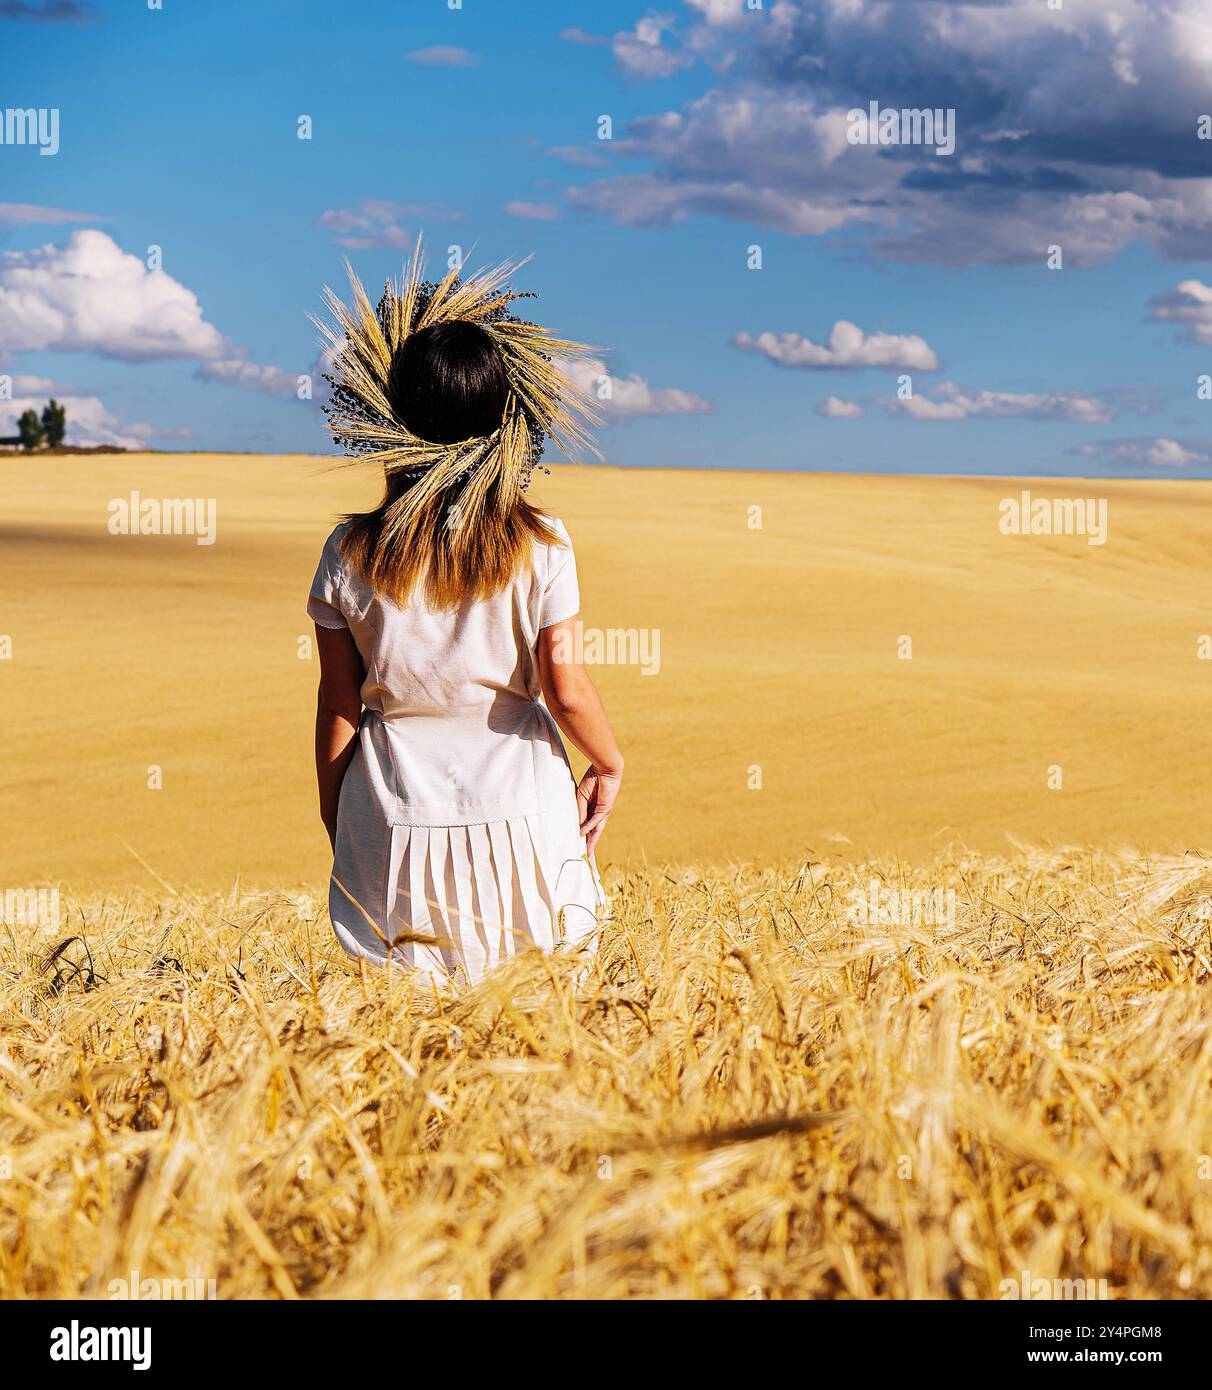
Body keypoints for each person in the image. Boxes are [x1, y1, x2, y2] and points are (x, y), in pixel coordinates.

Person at [308, 255, 622, 985]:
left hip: (392, 811)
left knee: (403, 1042)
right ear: (502, 419)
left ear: (393, 417)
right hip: (523, 813)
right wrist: (608, 763)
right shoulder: (543, 542)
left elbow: (337, 704)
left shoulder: (348, 550)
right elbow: (565, 688)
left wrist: (343, 818)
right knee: (542, 1019)